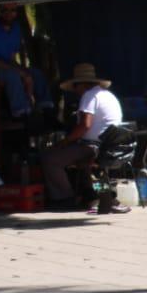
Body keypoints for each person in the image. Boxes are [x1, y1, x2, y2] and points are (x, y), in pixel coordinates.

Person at [42, 63, 125, 210]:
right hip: (109, 145)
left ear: (81, 84)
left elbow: (85, 126)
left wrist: (65, 142)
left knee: (50, 159)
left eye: (75, 87)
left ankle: (64, 198)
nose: (75, 91)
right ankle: (92, 195)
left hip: (95, 146)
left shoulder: (89, 95)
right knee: (84, 164)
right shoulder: (108, 95)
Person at [0, 3, 50, 119]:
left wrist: (25, 74)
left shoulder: (16, 28)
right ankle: (21, 114)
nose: (8, 14)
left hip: (1, 64)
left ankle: (46, 110)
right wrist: (20, 73)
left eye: (12, 10)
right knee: (12, 76)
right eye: (4, 10)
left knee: (35, 73)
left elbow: (11, 59)